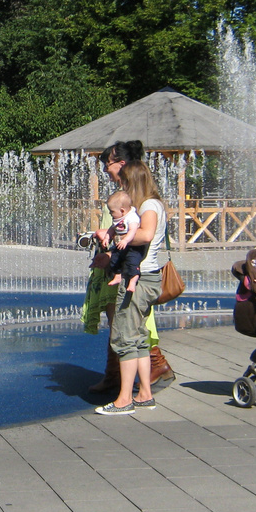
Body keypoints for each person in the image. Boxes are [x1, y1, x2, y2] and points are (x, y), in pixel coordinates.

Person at [87, 142, 173, 396]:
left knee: (127, 329)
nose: (105, 170)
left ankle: (134, 386)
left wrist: (112, 243)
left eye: (107, 164)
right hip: (121, 267)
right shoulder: (128, 200)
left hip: (134, 272)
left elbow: (143, 237)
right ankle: (119, 378)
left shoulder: (141, 204)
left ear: (122, 166)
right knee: (123, 326)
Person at [102, 190, 146, 293]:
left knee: (132, 262)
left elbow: (132, 231)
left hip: (134, 246)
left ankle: (133, 281)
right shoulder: (118, 218)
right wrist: (106, 238)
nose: (110, 213)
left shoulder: (132, 217)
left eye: (112, 211)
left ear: (122, 210)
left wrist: (125, 240)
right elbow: (111, 229)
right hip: (121, 244)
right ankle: (117, 276)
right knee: (114, 259)